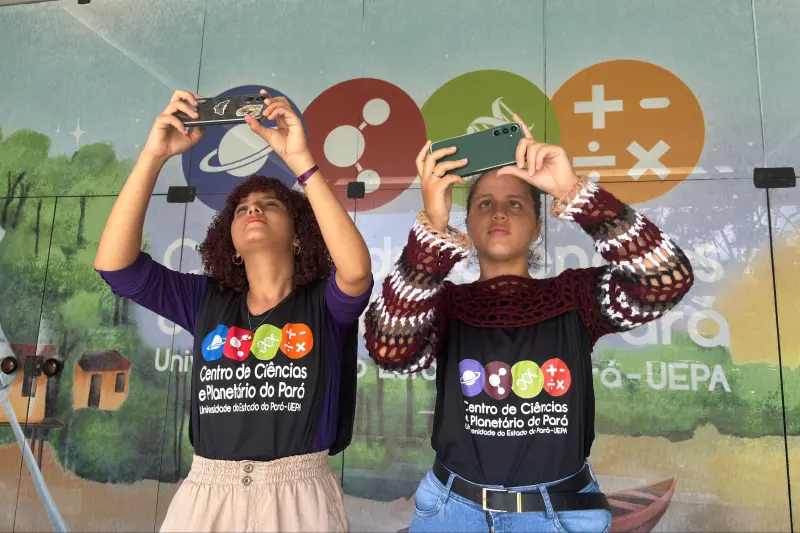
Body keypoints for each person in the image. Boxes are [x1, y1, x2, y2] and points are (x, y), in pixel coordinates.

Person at [364, 115, 694, 533]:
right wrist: (432, 224)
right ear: (468, 225)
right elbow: (390, 350)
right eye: (484, 203)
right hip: (451, 511)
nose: (499, 213)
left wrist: (574, 192)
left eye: (515, 203)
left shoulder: (576, 297)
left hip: (559, 513)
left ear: (538, 227)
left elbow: (666, 280)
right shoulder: (445, 305)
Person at [95, 89, 373, 532]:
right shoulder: (207, 299)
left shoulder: (325, 302)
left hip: (299, 499)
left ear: (299, 236)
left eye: (271, 204)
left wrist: (301, 162)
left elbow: (356, 271)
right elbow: (116, 267)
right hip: (208, 494)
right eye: (241, 209)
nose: (254, 208)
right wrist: (154, 156)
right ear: (233, 247)